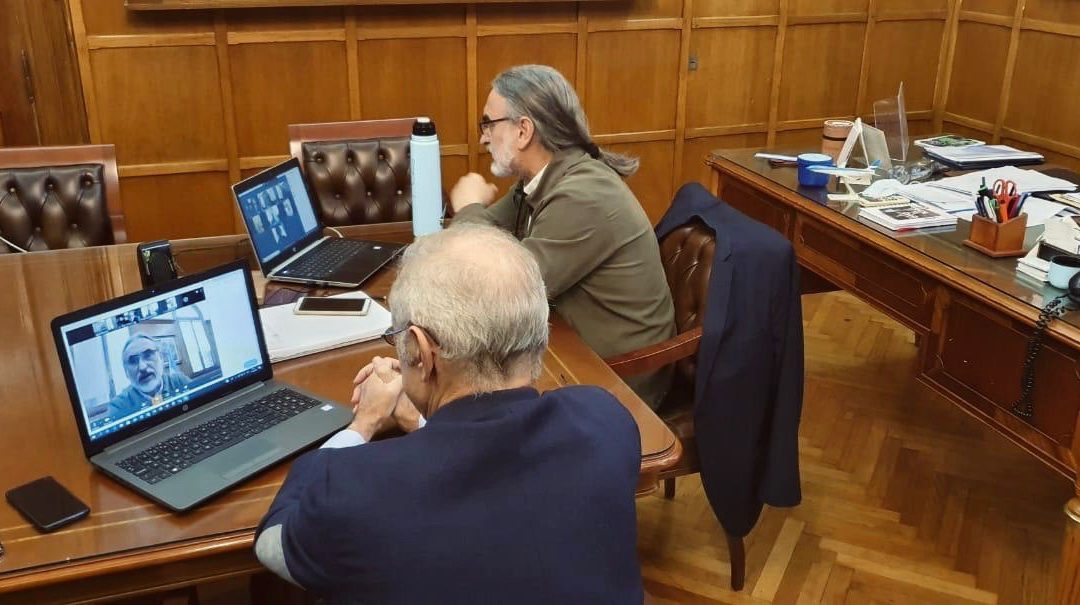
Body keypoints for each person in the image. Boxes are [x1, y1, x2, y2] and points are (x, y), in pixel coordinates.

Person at [254, 224, 644, 604]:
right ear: (539, 329)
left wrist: (363, 424)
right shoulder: (604, 421)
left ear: (423, 353)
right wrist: (419, 423)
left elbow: (274, 541)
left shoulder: (352, 487)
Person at [450, 64, 675, 408]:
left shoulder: (583, 193)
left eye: (488, 124)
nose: (482, 137)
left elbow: (509, 288)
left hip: (619, 380)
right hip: (569, 351)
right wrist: (472, 218)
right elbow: (476, 250)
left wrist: (467, 207)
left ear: (523, 130)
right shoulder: (538, 179)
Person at [106, 334, 191, 419]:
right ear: (126, 372)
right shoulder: (118, 406)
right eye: (133, 361)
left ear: (161, 358)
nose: (142, 367)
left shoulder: (180, 381)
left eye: (148, 355)